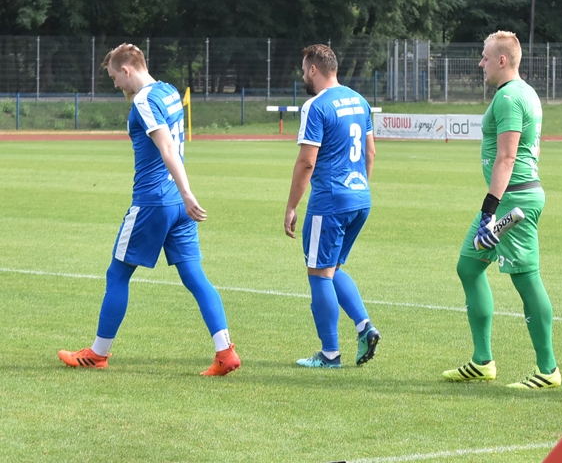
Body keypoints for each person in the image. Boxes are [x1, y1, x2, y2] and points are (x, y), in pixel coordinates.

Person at [58, 43, 240, 376]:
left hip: (153, 202)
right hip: (177, 206)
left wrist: (187, 192)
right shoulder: (169, 91)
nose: (115, 85)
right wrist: (183, 195)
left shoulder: (143, 101)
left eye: (114, 77)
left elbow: (167, 146)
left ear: (127, 70)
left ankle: (98, 354)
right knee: (195, 276)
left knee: (117, 274)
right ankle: (225, 351)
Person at [442, 31, 560, 390]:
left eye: (485, 57)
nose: (481, 64)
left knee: (526, 278)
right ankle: (482, 362)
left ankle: (548, 369)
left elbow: (507, 157)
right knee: (468, 266)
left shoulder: (509, 97)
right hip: (514, 196)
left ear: (502, 60)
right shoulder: (525, 92)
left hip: (513, 200)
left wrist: (488, 211)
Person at [284, 44, 380, 369]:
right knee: (333, 268)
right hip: (360, 197)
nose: (303, 76)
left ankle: (329, 354)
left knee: (319, 274)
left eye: (303, 70)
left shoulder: (315, 106)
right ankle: (364, 327)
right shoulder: (360, 101)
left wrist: (291, 206)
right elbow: (370, 153)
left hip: (330, 200)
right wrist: (358, 187)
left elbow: (306, 162)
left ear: (313, 69)